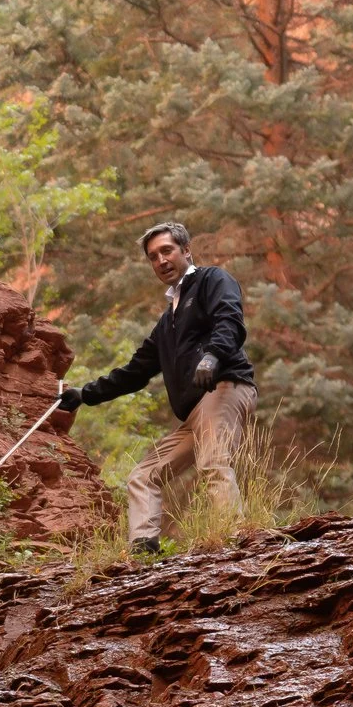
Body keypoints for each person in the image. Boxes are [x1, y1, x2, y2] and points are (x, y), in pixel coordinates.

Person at [54, 221, 257, 555]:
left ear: (186, 250)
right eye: (153, 257)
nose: (161, 261)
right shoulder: (168, 322)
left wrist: (212, 358)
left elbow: (229, 320)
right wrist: (85, 395)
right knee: (144, 476)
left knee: (214, 463)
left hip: (222, 388)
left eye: (167, 251)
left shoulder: (211, 281)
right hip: (192, 413)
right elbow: (135, 371)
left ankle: (235, 543)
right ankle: (143, 551)